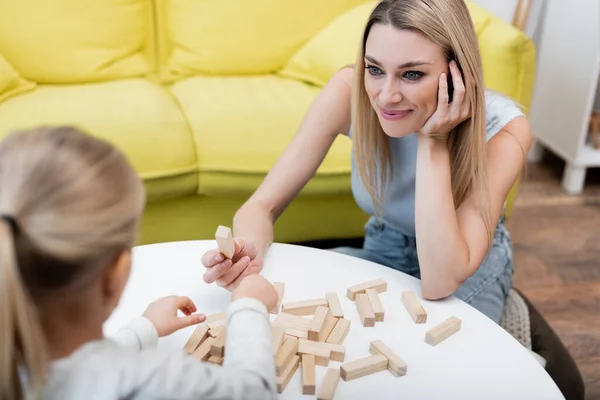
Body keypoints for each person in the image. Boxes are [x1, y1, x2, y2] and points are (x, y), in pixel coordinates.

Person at [201, 0, 532, 325]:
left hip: (463, 265)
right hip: (384, 246)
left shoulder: (504, 130)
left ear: (457, 72)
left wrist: (434, 140)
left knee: (436, 357)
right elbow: (261, 205)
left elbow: (440, 281)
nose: (386, 96)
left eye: (412, 74)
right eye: (375, 69)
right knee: (298, 317)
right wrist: (247, 255)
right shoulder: (350, 91)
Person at [0, 126, 279, 399]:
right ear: (115, 274)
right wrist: (249, 308)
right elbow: (254, 392)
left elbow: (78, 371)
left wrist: (143, 329)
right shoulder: (156, 380)